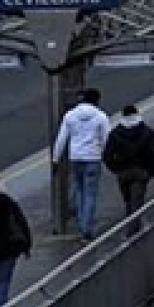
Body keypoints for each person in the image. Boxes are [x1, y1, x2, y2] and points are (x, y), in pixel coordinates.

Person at [52, 89, 109, 242]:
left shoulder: (70, 116)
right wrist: (106, 156)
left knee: (79, 190)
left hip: (76, 157)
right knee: (90, 193)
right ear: (96, 100)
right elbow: (106, 139)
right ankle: (87, 229)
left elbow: (61, 138)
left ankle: (81, 222)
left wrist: (56, 159)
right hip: (93, 158)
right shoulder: (101, 116)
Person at [102, 104, 154, 225]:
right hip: (141, 171)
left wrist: (115, 168)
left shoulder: (115, 133)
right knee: (138, 199)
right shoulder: (147, 132)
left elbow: (107, 155)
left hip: (123, 172)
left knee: (127, 199)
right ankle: (135, 225)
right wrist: (151, 170)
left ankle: (130, 219)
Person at [0, 174, 31, 307]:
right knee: (3, 281)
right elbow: (21, 224)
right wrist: (27, 246)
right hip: (9, 248)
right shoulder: (9, 204)